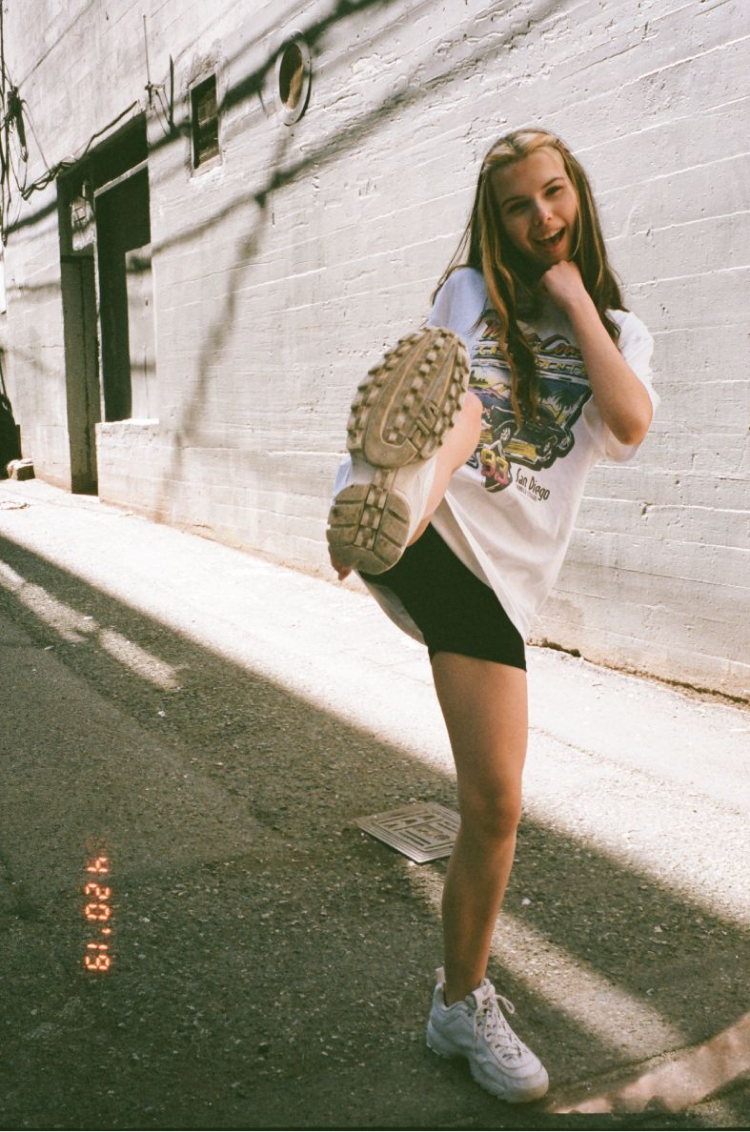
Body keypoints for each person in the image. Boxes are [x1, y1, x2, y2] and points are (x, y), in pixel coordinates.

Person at [326, 129, 658, 1104]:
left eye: (552, 194)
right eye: (518, 205)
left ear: (578, 196)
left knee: (494, 807)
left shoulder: (622, 334)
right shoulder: (470, 290)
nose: (539, 217)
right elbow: (442, 389)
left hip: (496, 584)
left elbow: (631, 422)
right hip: (437, 530)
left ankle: (454, 1002)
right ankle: (378, 504)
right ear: (495, 220)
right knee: (458, 402)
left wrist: (570, 301)